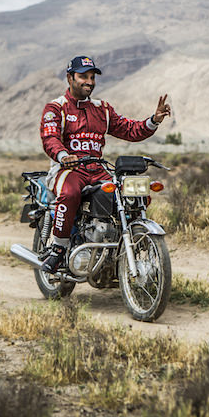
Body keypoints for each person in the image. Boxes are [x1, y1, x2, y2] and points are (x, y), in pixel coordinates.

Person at [39, 55, 171, 273]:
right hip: (67, 170)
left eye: (92, 77)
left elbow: (130, 129)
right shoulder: (56, 108)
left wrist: (154, 120)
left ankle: (126, 242)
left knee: (132, 194)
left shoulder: (102, 109)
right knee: (70, 193)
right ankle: (59, 250)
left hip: (97, 170)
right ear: (70, 78)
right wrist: (63, 155)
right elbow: (49, 138)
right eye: (83, 76)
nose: (89, 82)